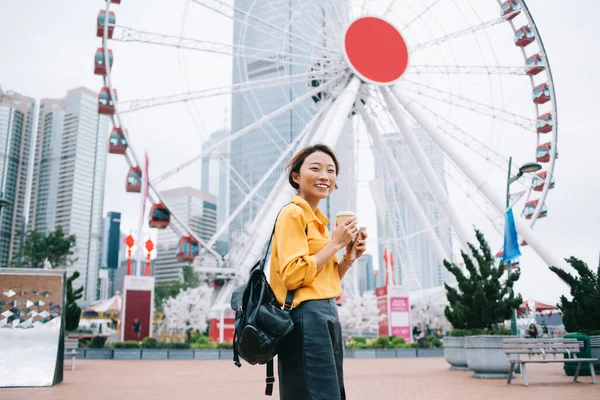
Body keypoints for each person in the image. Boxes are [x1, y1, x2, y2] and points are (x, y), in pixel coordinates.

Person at [271, 144, 367, 400]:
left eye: (331, 171)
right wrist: (334, 244)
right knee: (317, 394)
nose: (325, 175)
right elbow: (293, 275)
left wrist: (347, 258)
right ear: (296, 176)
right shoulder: (293, 214)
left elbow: (323, 280)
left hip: (326, 313)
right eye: (315, 168)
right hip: (305, 317)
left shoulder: (322, 224)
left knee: (330, 392)